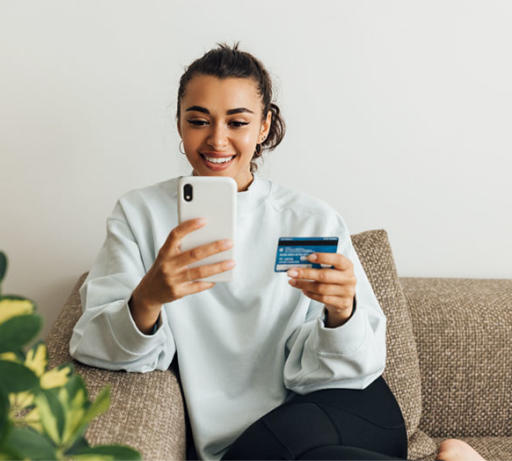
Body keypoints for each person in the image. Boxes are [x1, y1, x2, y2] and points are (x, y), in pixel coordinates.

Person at [70, 43, 485, 461]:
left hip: (343, 405)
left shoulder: (310, 218)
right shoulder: (140, 214)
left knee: (289, 445)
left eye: (237, 122)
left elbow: (356, 366)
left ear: (264, 126)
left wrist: (341, 314)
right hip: (260, 440)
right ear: (179, 123)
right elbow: (93, 345)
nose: (217, 140)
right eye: (199, 120)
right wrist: (149, 298)